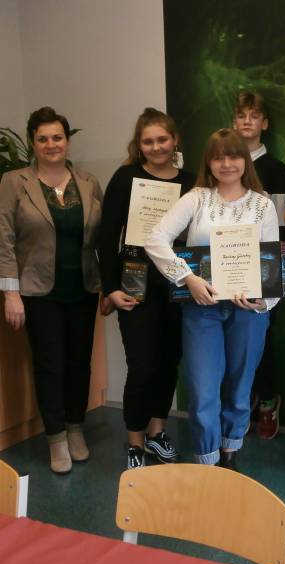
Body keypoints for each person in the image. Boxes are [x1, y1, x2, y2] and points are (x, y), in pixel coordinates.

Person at [145, 128, 279, 471]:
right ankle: (207, 461)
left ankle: (230, 453)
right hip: (201, 308)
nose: (226, 164)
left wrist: (261, 301)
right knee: (203, 389)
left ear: (244, 160)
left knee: (239, 386)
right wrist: (187, 278)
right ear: (209, 163)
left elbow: (271, 264)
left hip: (247, 313)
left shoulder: (263, 205)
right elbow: (155, 239)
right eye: (218, 158)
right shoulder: (196, 199)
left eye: (233, 156)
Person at [0, 106, 103, 474]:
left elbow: (103, 236)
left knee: (79, 364)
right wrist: (11, 293)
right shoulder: (15, 182)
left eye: (57, 137)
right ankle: (55, 438)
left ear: (67, 141)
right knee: (50, 366)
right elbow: (3, 239)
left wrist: (112, 283)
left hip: (83, 289)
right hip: (38, 293)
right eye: (43, 139)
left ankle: (75, 429)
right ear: (33, 143)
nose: (51, 144)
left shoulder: (88, 182)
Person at [98, 108, 196, 469]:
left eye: (162, 139)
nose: (156, 147)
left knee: (169, 362)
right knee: (141, 365)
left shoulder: (191, 182)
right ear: (139, 145)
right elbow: (106, 235)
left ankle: (157, 433)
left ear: (175, 140)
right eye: (148, 141)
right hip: (134, 284)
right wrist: (110, 288)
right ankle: (135, 442)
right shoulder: (126, 178)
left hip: (176, 285)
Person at [233, 91, 285, 439]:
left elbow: (282, 225)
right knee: (234, 339)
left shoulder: (275, 170)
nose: (247, 121)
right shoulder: (223, 166)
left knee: (263, 336)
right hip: (230, 264)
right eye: (241, 115)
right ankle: (244, 400)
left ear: (264, 124)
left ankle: (268, 399)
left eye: (254, 116)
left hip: (266, 264)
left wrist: (276, 277)